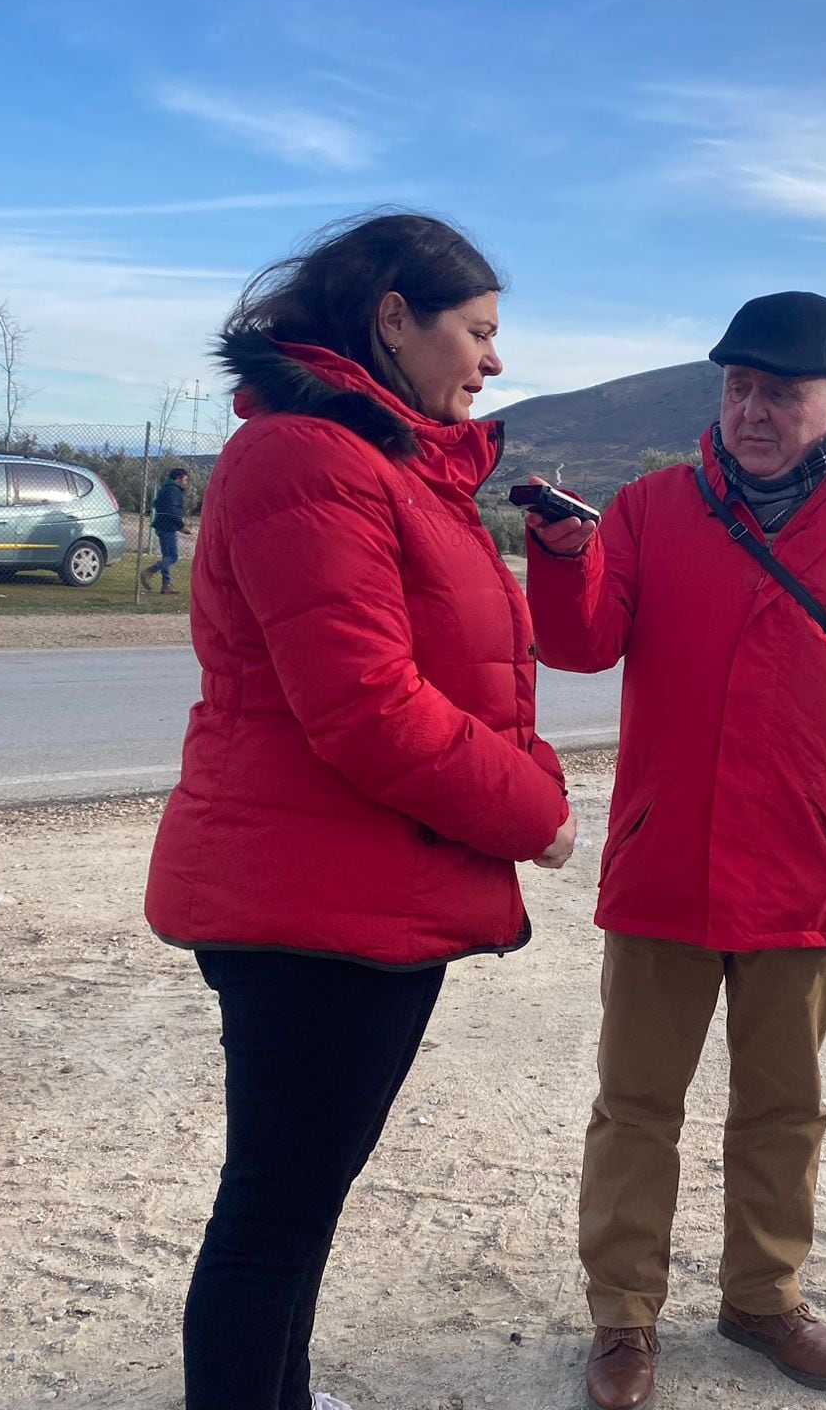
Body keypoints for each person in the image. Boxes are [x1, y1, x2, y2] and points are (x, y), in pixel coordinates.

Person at [144, 211, 579, 1410]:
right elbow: (366, 707)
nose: (491, 362)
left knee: (302, 1195)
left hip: (358, 889)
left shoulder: (384, 463)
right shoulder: (308, 461)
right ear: (393, 316)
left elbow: (452, 667)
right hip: (307, 900)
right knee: (273, 1213)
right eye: (478, 333)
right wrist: (530, 811)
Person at [524, 290, 826, 1410]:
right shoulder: (649, 509)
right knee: (635, 1108)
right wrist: (559, 551)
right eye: (737, 387)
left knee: (782, 1111)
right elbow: (580, 647)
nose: (753, 409)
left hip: (806, 877)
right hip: (661, 866)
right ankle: (622, 1320)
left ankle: (761, 1298)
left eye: (780, 391)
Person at [142, 466, 191, 592]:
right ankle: (149, 572)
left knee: (166, 556)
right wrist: (181, 526)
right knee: (173, 557)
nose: (186, 483)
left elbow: (156, 504)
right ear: (179, 478)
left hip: (161, 525)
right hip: (168, 527)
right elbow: (172, 511)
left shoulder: (165, 488)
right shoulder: (174, 490)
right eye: (185, 480)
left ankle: (166, 584)